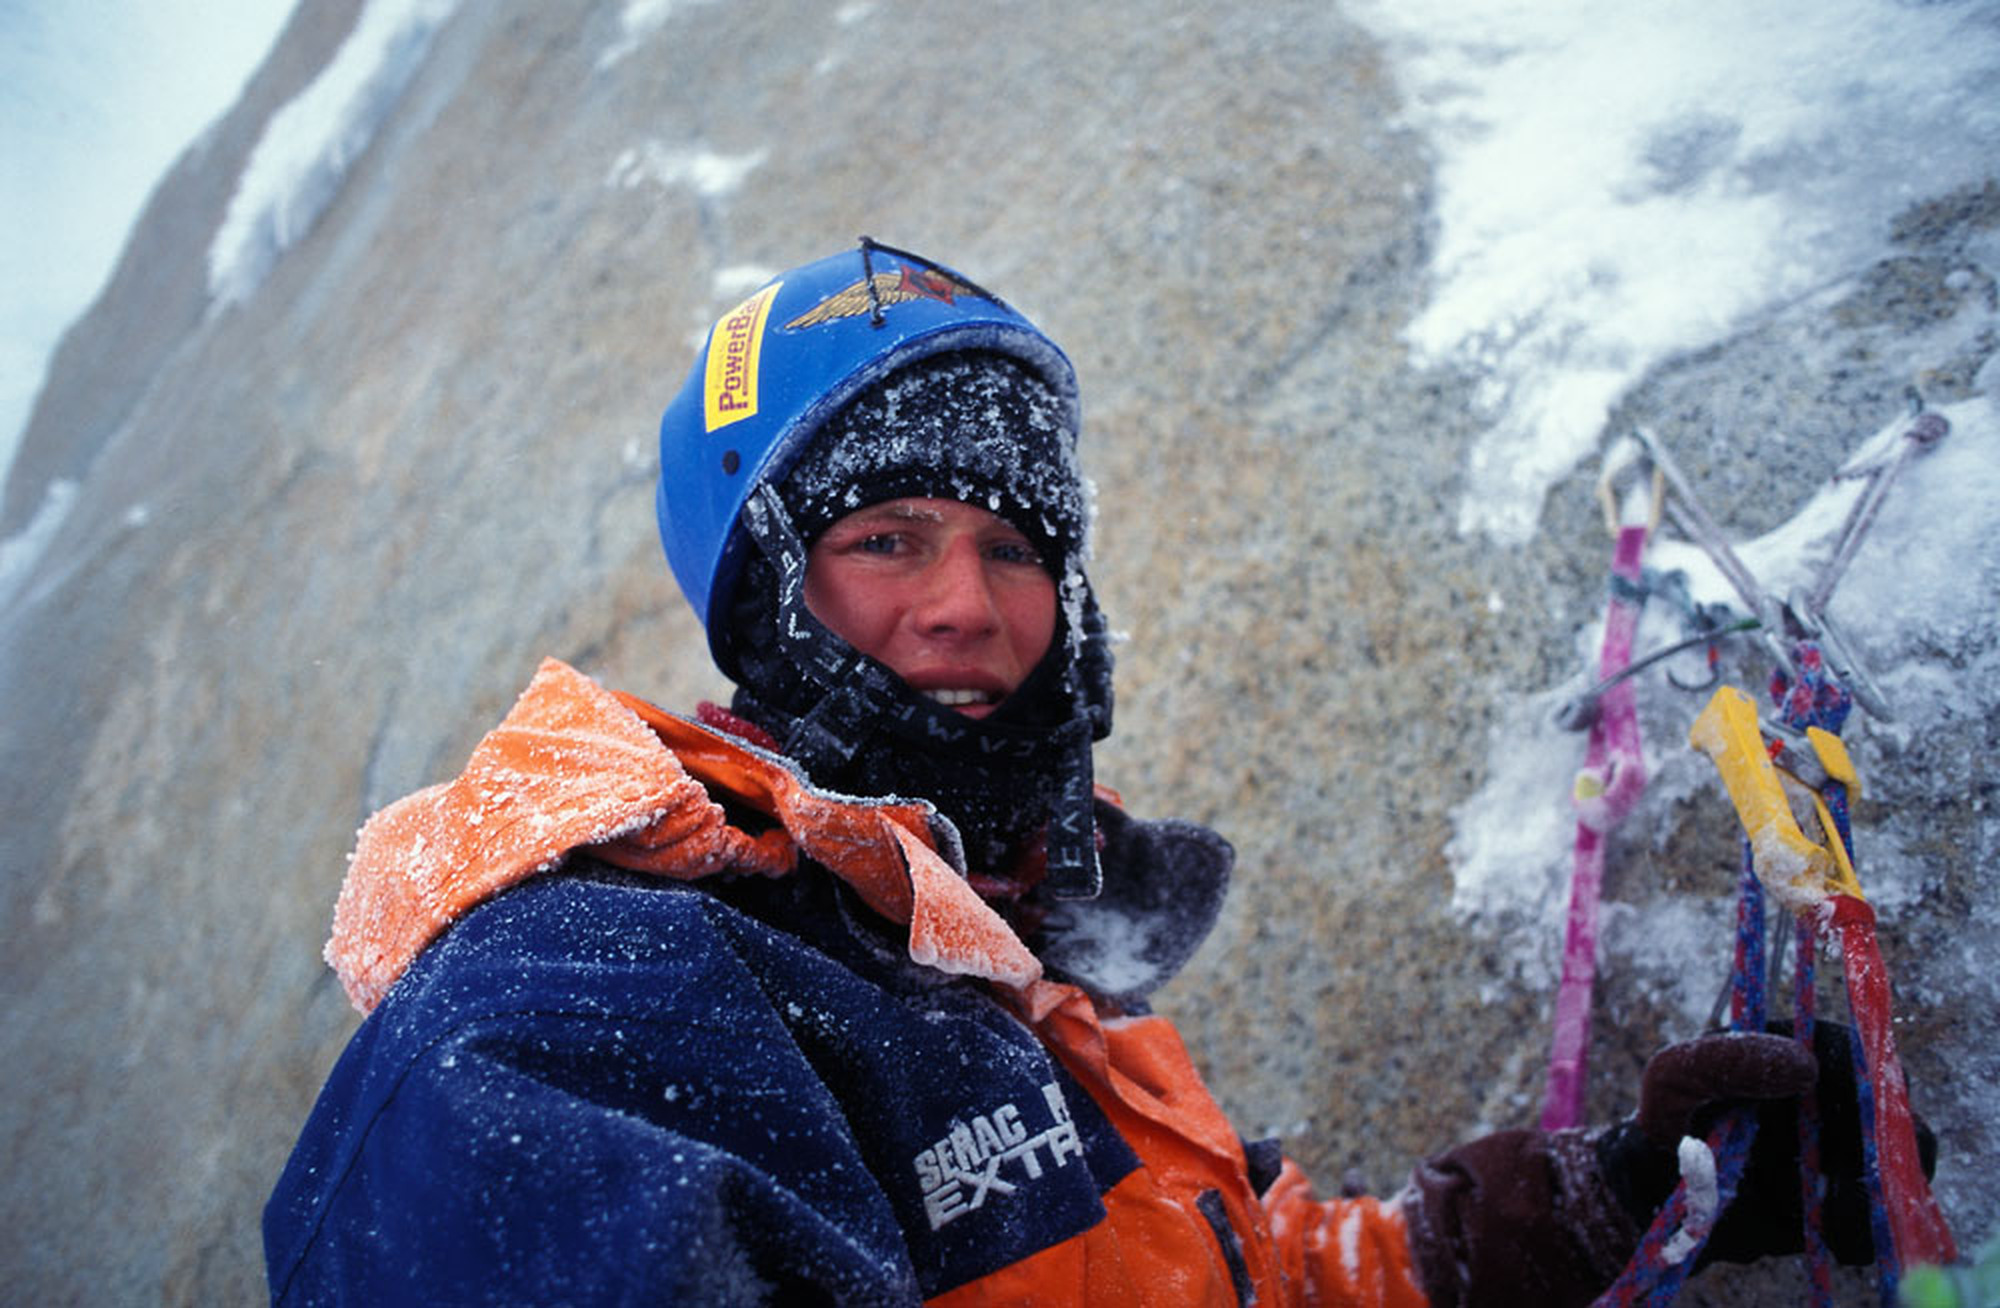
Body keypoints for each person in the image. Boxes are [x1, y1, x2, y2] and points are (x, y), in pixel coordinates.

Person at [264, 241, 1924, 1305]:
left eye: (1011, 543)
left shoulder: (997, 937)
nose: (969, 603)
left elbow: (1202, 1278)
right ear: (773, 601)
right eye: (886, 538)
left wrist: (1560, 1212)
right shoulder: (608, 974)